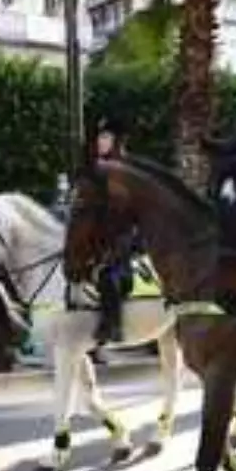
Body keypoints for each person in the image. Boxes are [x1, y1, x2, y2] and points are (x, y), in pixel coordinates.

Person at [90, 115, 133, 344]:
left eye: (105, 136)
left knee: (109, 276)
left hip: (123, 241)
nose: (99, 141)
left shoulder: (125, 171)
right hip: (97, 239)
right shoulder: (97, 169)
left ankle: (113, 325)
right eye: (99, 136)